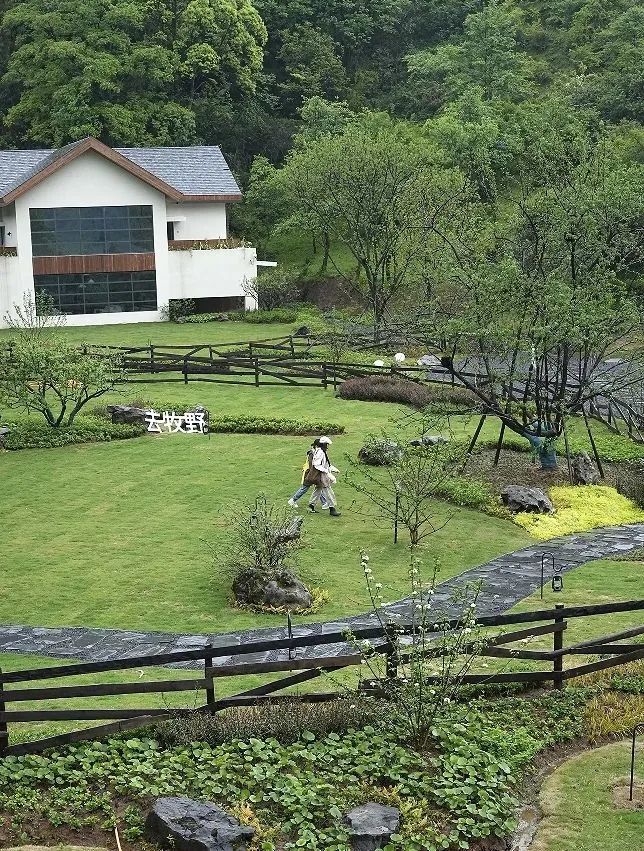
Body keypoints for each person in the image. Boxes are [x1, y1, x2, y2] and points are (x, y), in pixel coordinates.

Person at [288, 439, 328, 509]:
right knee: (305, 488)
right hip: (310, 473)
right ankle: (293, 500)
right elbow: (311, 465)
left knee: (319, 487)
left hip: (313, 473)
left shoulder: (316, 452)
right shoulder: (312, 453)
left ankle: (324, 503)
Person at [309, 435, 341, 517]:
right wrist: (326, 471)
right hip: (322, 475)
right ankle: (332, 509)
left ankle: (311, 506)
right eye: (326, 445)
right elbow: (316, 464)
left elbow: (326, 464)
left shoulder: (321, 452)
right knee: (328, 491)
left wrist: (332, 469)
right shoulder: (320, 452)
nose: (327, 447)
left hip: (322, 474)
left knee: (318, 490)